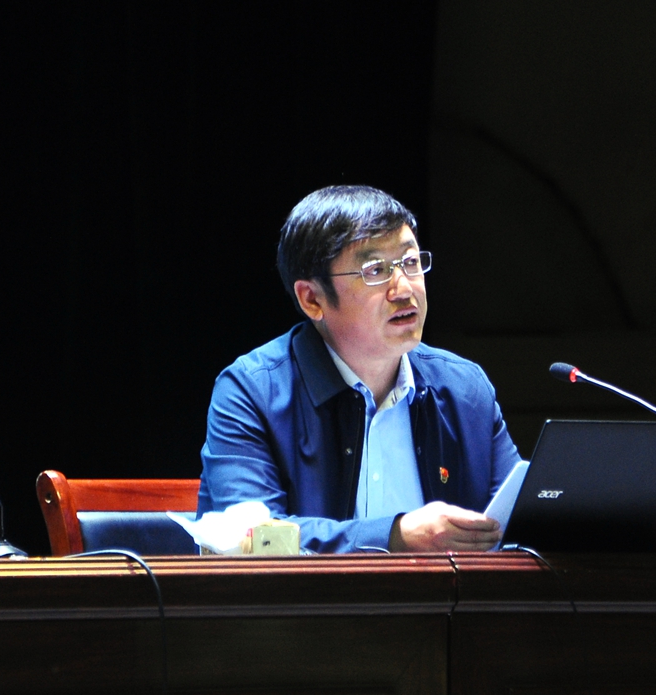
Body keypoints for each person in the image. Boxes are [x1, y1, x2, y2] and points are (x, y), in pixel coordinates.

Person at [196, 185, 521, 553]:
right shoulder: (252, 392)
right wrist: (395, 536)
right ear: (312, 299)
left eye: (410, 263)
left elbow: (521, 523)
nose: (403, 289)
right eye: (375, 270)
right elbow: (251, 539)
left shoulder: (464, 388)